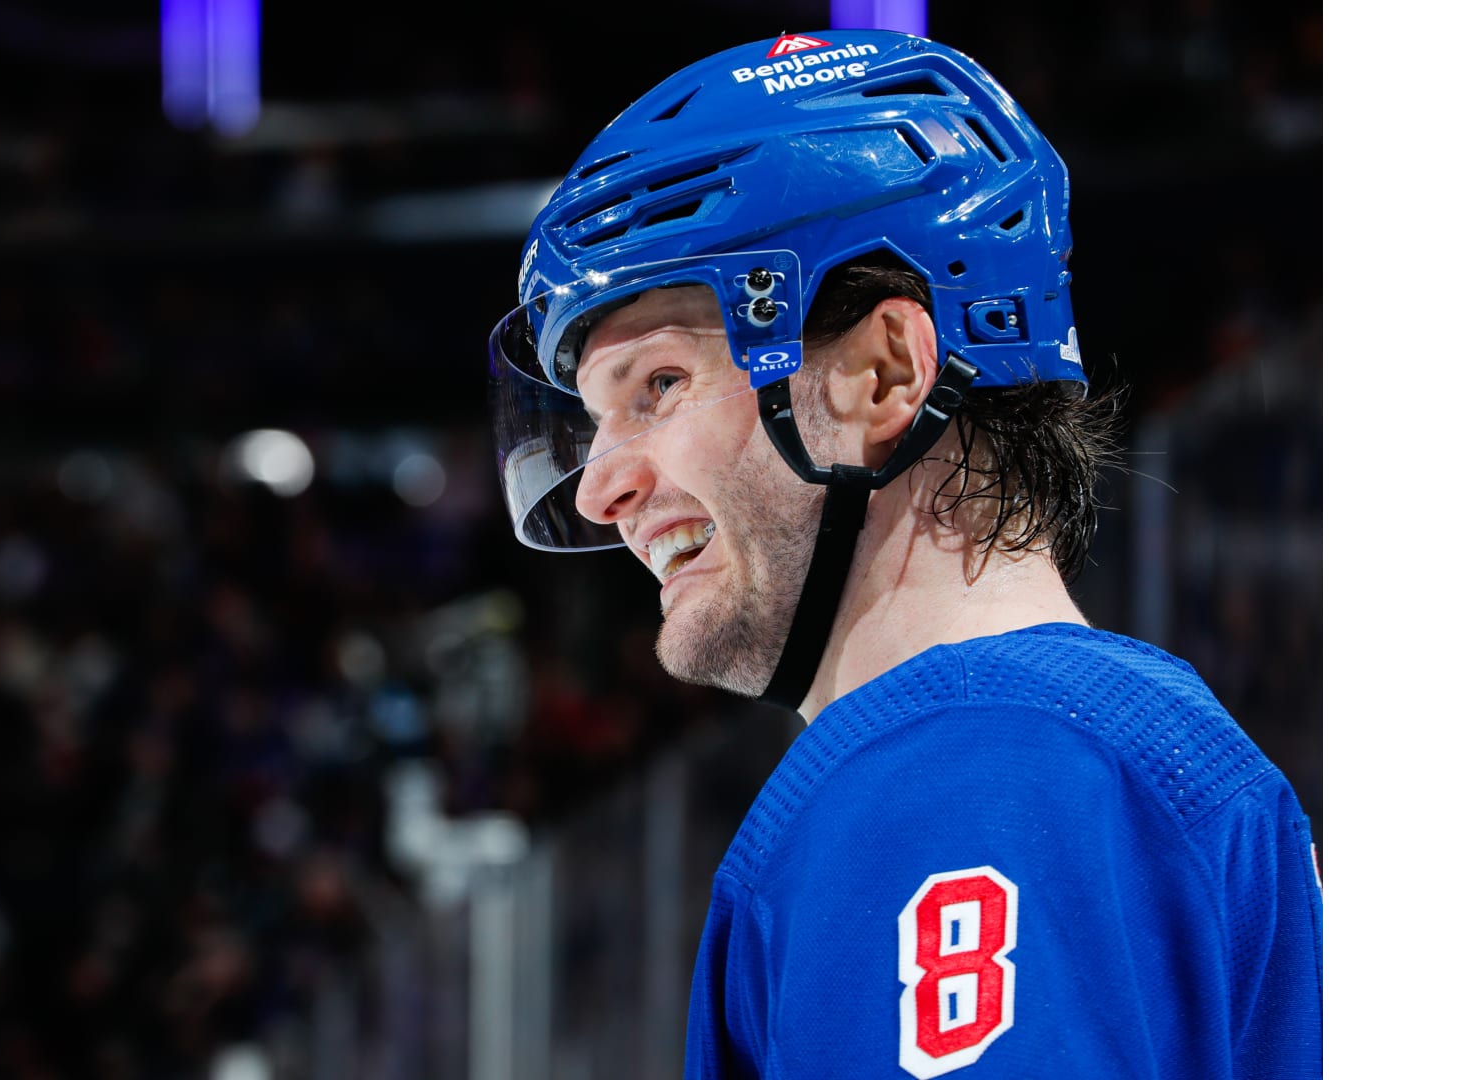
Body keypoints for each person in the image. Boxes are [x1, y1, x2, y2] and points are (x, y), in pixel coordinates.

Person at [486, 27, 1321, 1080]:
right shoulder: (1096, 749)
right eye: (597, 421)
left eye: (659, 385)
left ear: (882, 376)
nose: (599, 488)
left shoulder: (958, 774)